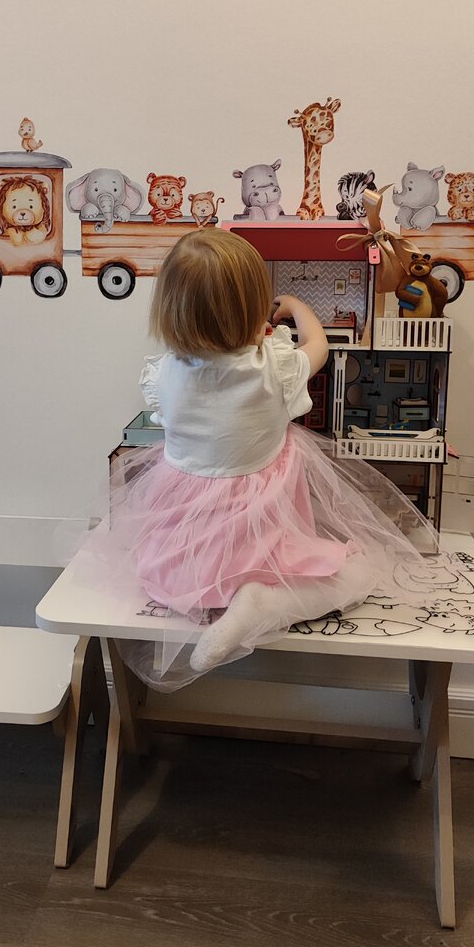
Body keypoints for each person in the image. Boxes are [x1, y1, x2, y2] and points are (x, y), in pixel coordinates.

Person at [68, 228, 438, 689]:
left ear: (170, 309)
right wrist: (297, 307)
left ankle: (223, 595)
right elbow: (318, 347)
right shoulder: (274, 366)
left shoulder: (163, 376)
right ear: (253, 308)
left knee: (163, 572)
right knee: (357, 572)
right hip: (260, 529)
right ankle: (265, 603)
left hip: (186, 538)